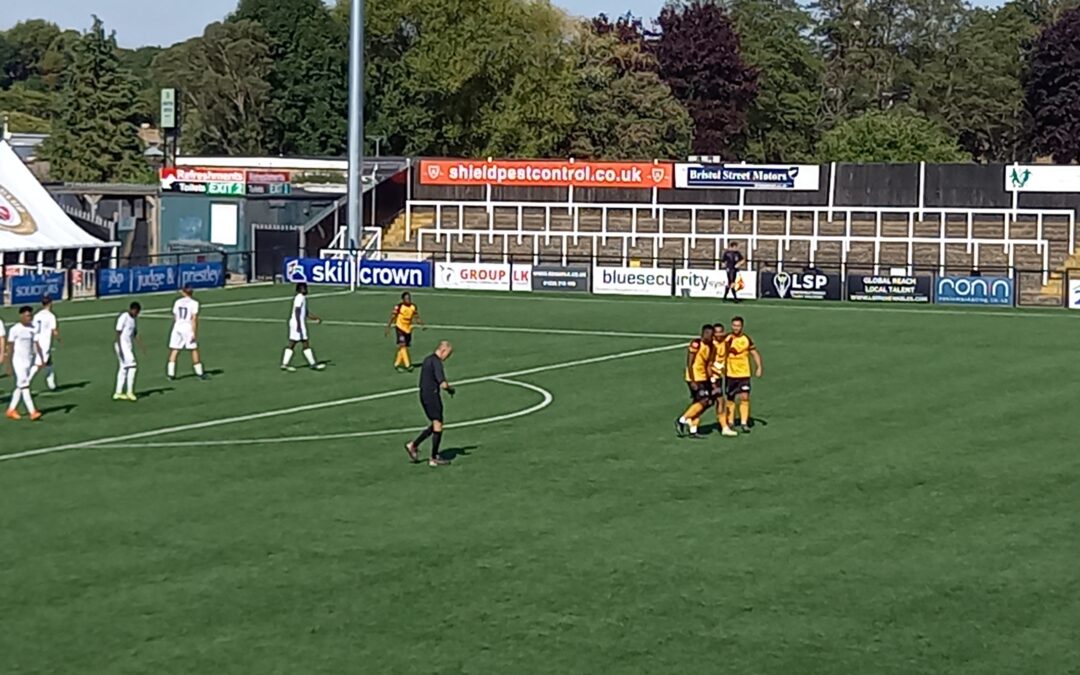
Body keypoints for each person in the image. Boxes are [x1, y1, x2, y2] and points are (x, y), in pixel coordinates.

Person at [405, 341, 455, 467]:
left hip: (424, 395)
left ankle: (413, 445)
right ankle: (434, 458)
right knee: (438, 424)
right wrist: (450, 389)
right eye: (447, 355)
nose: (446, 359)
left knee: (435, 423)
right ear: (443, 351)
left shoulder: (427, 359)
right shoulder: (437, 362)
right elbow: (443, 384)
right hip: (432, 396)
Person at [724, 316, 763, 433]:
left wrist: (759, 367)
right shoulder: (727, 339)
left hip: (744, 373)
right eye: (734, 325)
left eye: (738, 326)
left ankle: (744, 423)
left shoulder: (746, 339)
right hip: (730, 373)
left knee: (744, 397)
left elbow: (754, 353)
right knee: (730, 398)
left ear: (742, 326)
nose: (736, 328)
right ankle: (730, 422)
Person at [675, 324, 714, 438]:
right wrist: (692, 380)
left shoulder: (711, 346)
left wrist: (711, 380)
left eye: (711, 335)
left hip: (703, 377)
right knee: (703, 400)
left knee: (704, 403)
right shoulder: (696, 344)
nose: (710, 337)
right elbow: (690, 363)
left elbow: (708, 364)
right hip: (695, 377)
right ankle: (682, 420)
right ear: (703, 333)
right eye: (708, 334)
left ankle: (693, 429)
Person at [6, 306, 44, 420]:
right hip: (18, 361)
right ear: (21, 316)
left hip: (28, 361)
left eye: (30, 316)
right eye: (27, 316)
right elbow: (10, 348)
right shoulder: (15, 329)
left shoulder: (33, 328)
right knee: (25, 386)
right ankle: (32, 411)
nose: (29, 318)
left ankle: (11, 409)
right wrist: (8, 365)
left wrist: (41, 358)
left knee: (20, 385)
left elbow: (36, 344)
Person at [281, 283, 325, 372]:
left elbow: (305, 312)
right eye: (303, 288)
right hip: (297, 323)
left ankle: (284, 364)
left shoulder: (302, 298)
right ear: (299, 290)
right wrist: (298, 325)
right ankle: (313, 364)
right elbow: (297, 311)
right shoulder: (299, 298)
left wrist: (315, 318)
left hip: (297, 323)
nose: (305, 290)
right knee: (304, 342)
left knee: (293, 343)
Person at [167, 286, 208, 380]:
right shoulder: (194, 303)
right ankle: (200, 372)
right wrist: (194, 332)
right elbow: (194, 318)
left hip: (177, 327)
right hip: (187, 328)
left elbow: (175, 315)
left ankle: (170, 373)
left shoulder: (177, 302)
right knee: (193, 349)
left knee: (175, 349)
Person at [711, 322, 738, 437]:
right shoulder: (711, 344)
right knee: (719, 400)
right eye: (716, 332)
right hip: (711, 376)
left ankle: (690, 420)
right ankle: (724, 427)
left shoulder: (725, 341)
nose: (719, 334)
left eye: (721, 332)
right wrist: (715, 367)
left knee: (709, 401)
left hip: (719, 376)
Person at [386, 291, 424, 372]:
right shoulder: (399, 307)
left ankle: (397, 364)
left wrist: (421, 324)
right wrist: (388, 328)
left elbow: (416, 316)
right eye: (406, 298)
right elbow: (392, 317)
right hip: (400, 328)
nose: (408, 300)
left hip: (408, 329)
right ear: (403, 299)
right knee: (402, 345)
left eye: (409, 298)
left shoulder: (413, 307)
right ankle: (408, 365)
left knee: (403, 347)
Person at [114, 302, 143, 401]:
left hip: (127, 347)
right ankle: (129, 392)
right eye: (137, 312)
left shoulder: (133, 319)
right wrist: (120, 348)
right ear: (133, 310)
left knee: (123, 368)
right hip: (123, 346)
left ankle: (118, 392)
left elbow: (134, 332)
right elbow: (118, 332)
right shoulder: (124, 317)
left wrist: (140, 344)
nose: (137, 314)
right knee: (133, 366)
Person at [29, 295, 59, 391]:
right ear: (50, 303)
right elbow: (54, 330)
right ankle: (26, 382)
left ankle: (52, 384)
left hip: (36, 341)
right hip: (44, 344)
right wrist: (58, 338)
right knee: (38, 365)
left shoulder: (37, 315)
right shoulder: (51, 316)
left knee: (49, 363)